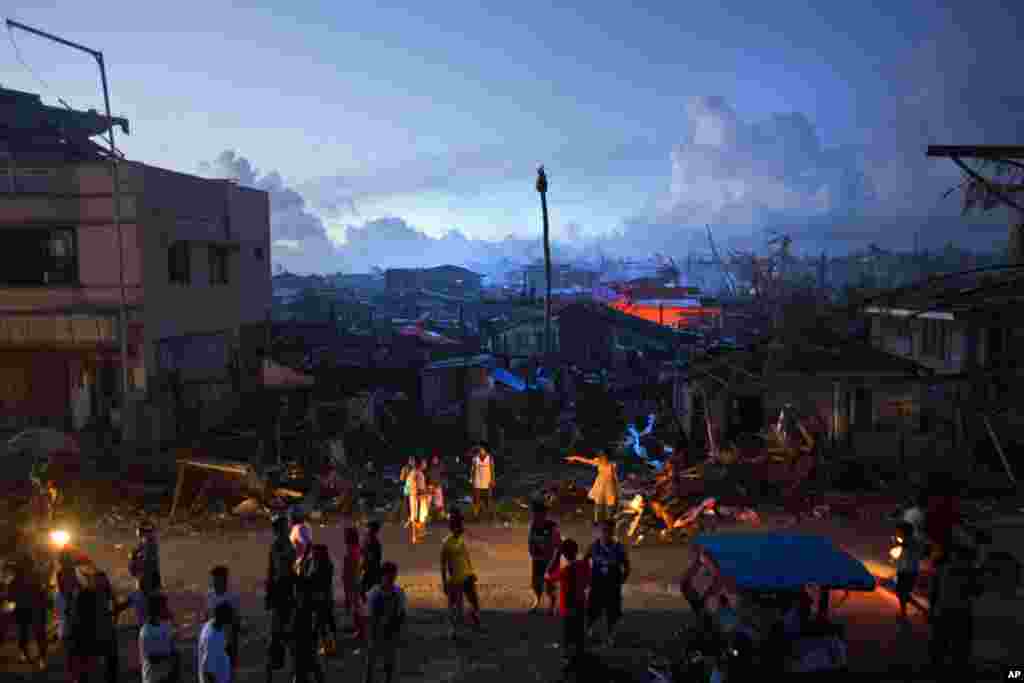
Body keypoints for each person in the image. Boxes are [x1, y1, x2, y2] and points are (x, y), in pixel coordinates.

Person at [929, 542, 982, 676]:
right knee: (960, 645)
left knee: (941, 642)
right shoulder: (971, 572)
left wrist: (932, 609)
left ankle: (937, 667)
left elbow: (934, 592)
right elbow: (977, 591)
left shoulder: (942, 569)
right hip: (961, 611)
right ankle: (957, 668)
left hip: (945, 610)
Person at [546, 538, 591, 673]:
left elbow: (548, 575)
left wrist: (556, 555)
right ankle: (580, 658)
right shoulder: (584, 565)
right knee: (579, 634)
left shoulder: (566, 571)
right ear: (576, 551)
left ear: (564, 554)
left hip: (568, 608)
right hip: (581, 605)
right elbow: (588, 581)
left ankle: (570, 662)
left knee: (568, 636)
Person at [585, 519, 630, 647]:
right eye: (604, 530)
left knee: (612, 612)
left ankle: (610, 635)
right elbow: (584, 562)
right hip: (597, 584)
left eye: (609, 531)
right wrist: (587, 579)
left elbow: (626, 565)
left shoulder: (619, 548)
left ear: (613, 532)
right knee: (592, 609)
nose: (606, 533)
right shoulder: (594, 546)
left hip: (612, 585)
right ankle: (589, 632)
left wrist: (622, 580)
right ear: (599, 532)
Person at [6, 535, 49, 669]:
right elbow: (42, 591)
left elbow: (11, 594)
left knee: (26, 631)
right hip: (33, 607)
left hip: (27, 607)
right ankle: (40, 657)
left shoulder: (19, 578)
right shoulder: (35, 576)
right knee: (37, 633)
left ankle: (28, 654)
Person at [440, 510, 482, 639]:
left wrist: (472, 572)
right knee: (455, 607)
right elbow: (443, 565)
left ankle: (474, 621)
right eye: (460, 526)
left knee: (474, 602)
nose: (462, 528)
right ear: (454, 527)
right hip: (455, 579)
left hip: (467, 576)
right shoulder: (446, 543)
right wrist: (444, 582)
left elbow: (466, 557)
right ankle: (453, 629)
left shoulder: (461, 541)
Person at [265, 514, 296, 683]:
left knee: (285, 636)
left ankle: (289, 673)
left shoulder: (283, 543)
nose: (288, 527)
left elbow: (273, 571)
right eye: (285, 525)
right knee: (280, 636)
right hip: (282, 593)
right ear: (280, 528)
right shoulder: (278, 545)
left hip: (285, 592)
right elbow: (277, 571)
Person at [364, 561, 407, 683]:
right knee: (372, 661)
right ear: (382, 576)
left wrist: (397, 628)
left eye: (393, 576)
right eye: (389, 576)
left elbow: (401, 614)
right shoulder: (375, 593)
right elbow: (370, 616)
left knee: (388, 662)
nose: (391, 579)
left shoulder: (398, 593)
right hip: (377, 631)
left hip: (390, 631)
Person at [293, 539, 325, 683]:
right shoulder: (311, 577)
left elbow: (301, 576)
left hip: (306, 625)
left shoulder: (312, 580)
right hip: (304, 624)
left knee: (308, 660)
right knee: (309, 661)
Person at [527, 500, 561, 615]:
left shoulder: (552, 526)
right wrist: (532, 553)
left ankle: (552, 606)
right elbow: (530, 541)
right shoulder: (533, 525)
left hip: (551, 560)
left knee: (549, 585)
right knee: (536, 583)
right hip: (537, 559)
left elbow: (558, 545)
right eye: (533, 513)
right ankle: (537, 602)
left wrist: (553, 561)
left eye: (536, 513)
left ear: (543, 514)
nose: (534, 515)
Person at [565, 451, 620, 523]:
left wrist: (617, 487)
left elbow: (615, 477)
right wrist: (575, 457)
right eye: (602, 457)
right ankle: (596, 519)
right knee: (598, 503)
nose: (603, 458)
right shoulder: (598, 462)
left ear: (607, 457)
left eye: (604, 457)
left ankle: (608, 519)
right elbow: (585, 460)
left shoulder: (612, 465)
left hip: (609, 485)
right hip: (600, 485)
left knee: (609, 504)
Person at [206, 566, 242, 672]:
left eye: (218, 579)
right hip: (213, 642)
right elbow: (207, 617)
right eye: (214, 579)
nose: (215, 582)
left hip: (228, 642)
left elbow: (237, 620)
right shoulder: (209, 595)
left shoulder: (233, 596)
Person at [140, 593, 179, 683]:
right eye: (164, 607)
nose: (167, 609)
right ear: (156, 610)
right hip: (153, 679)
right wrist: (171, 657)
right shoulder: (146, 631)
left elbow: (172, 646)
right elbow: (152, 658)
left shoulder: (166, 626)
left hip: (167, 676)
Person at [129, 521, 162, 623]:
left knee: (149, 603)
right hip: (147, 577)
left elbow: (146, 562)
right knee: (148, 603)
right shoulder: (146, 543)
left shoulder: (150, 543)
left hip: (149, 578)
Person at [310, 544, 339, 655]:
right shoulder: (327, 564)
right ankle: (329, 646)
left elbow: (314, 581)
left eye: (315, 552)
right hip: (326, 597)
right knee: (325, 623)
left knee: (321, 624)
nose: (313, 555)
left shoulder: (319, 566)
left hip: (321, 598)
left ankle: (328, 647)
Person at [894, 521, 923, 625]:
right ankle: (910, 612)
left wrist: (898, 542)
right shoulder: (909, 541)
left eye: (899, 530)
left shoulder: (911, 541)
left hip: (909, 571)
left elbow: (905, 545)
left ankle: (906, 613)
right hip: (905, 570)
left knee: (901, 593)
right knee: (901, 593)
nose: (897, 532)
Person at [198, 603, 234, 683]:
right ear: (223, 617)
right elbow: (207, 669)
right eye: (229, 616)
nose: (231, 620)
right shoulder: (212, 638)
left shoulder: (209, 625)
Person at [342, 530, 365, 640]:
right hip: (356, 580)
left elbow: (348, 569)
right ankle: (359, 630)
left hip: (352, 581)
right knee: (357, 607)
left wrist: (346, 583)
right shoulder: (358, 549)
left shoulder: (351, 550)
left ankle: (360, 631)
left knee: (355, 607)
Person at [470, 445, 496, 522]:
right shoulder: (475, 459)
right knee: (476, 500)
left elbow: (492, 469)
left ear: (485, 450)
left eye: (482, 450)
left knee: (488, 500)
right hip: (477, 482)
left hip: (487, 482)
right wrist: (472, 480)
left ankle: (491, 515)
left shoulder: (489, 458)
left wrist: (493, 480)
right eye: (480, 450)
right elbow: (473, 470)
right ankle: (476, 516)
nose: (481, 451)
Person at [361, 521, 384, 597]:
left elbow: (372, 557)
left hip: (372, 569)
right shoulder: (370, 540)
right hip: (372, 569)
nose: (366, 529)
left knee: (364, 589)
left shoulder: (373, 541)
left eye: (368, 528)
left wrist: (364, 565)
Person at [408, 460, 428, 544]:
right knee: (415, 517)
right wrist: (419, 494)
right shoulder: (415, 473)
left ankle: (419, 533)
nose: (425, 464)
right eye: (424, 463)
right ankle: (414, 536)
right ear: (420, 464)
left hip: (419, 496)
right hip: (416, 497)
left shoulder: (419, 473)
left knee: (420, 516)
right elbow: (414, 485)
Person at [427, 454, 447, 521]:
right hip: (430, 486)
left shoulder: (440, 467)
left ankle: (441, 515)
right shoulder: (429, 467)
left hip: (438, 486)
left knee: (439, 502)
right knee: (428, 502)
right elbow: (427, 477)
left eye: (436, 459)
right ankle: (426, 515)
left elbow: (443, 475)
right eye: (434, 459)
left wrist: (440, 483)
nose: (435, 460)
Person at [399, 457, 417, 529]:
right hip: (408, 489)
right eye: (411, 461)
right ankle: (406, 520)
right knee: (406, 505)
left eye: (413, 461)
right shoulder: (405, 468)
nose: (412, 462)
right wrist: (405, 476)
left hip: (415, 489)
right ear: (409, 461)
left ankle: (412, 520)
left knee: (413, 506)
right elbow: (401, 478)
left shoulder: (416, 469)